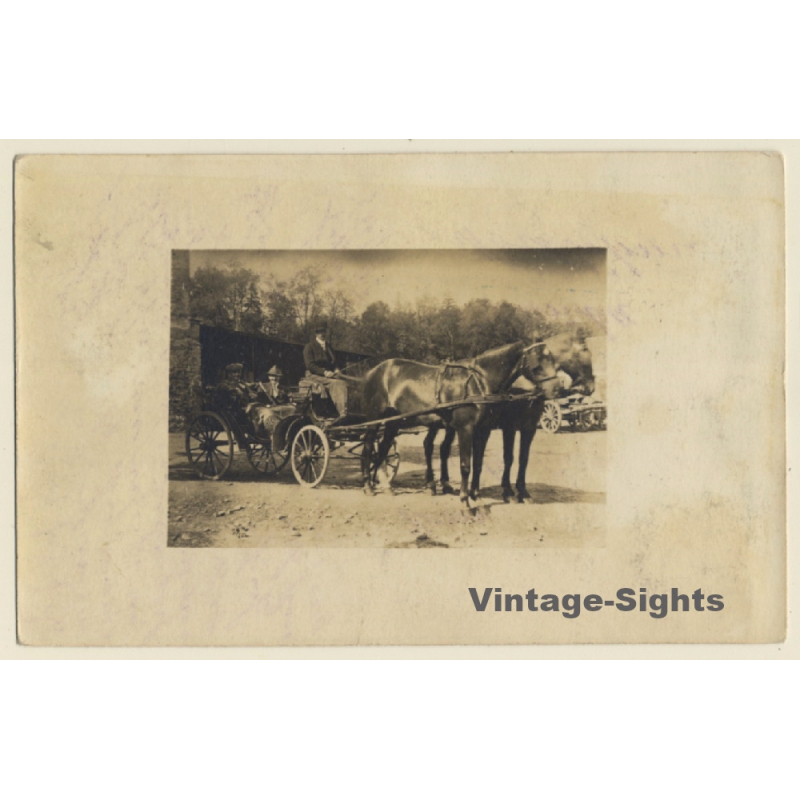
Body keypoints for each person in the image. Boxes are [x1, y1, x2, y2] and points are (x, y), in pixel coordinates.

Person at [303, 321, 348, 418]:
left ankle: (341, 410)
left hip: (328, 375)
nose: (322, 334)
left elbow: (334, 362)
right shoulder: (309, 347)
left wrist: (336, 369)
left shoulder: (329, 347)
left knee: (344, 382)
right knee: (337, 383)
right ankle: (342, 413)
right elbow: (310, 365)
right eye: (319, 332)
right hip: (313, 375)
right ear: (316, 333)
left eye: (323, 331)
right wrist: (324, 372)